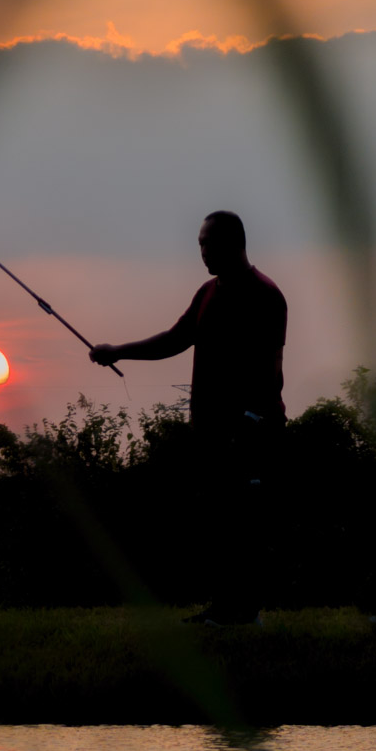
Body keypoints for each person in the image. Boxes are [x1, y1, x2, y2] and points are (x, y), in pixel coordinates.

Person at [89, 211, 286, 626]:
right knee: (218, 519)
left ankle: (245, 612)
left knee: (244, 522)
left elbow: (267, 365)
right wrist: (118, 351)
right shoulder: (207, 293)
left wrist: (251, 422)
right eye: (199, 243)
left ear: (235, 243)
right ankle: (225, 608)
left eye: (209, 243)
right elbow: (175, 339)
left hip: (251, 429)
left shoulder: (265, 295)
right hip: (211, 428)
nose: (202, 252)